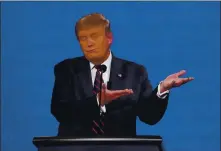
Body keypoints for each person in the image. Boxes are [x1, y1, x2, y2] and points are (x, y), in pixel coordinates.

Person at [51, 13, 194, 137]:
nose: (89, 43)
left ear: (109, 38)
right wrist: (98, 101)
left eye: (94, 36)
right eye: (83, 38)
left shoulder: (135, 72)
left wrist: (162, 88)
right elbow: (61, 111)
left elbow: (149, 116)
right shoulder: (66, 69)